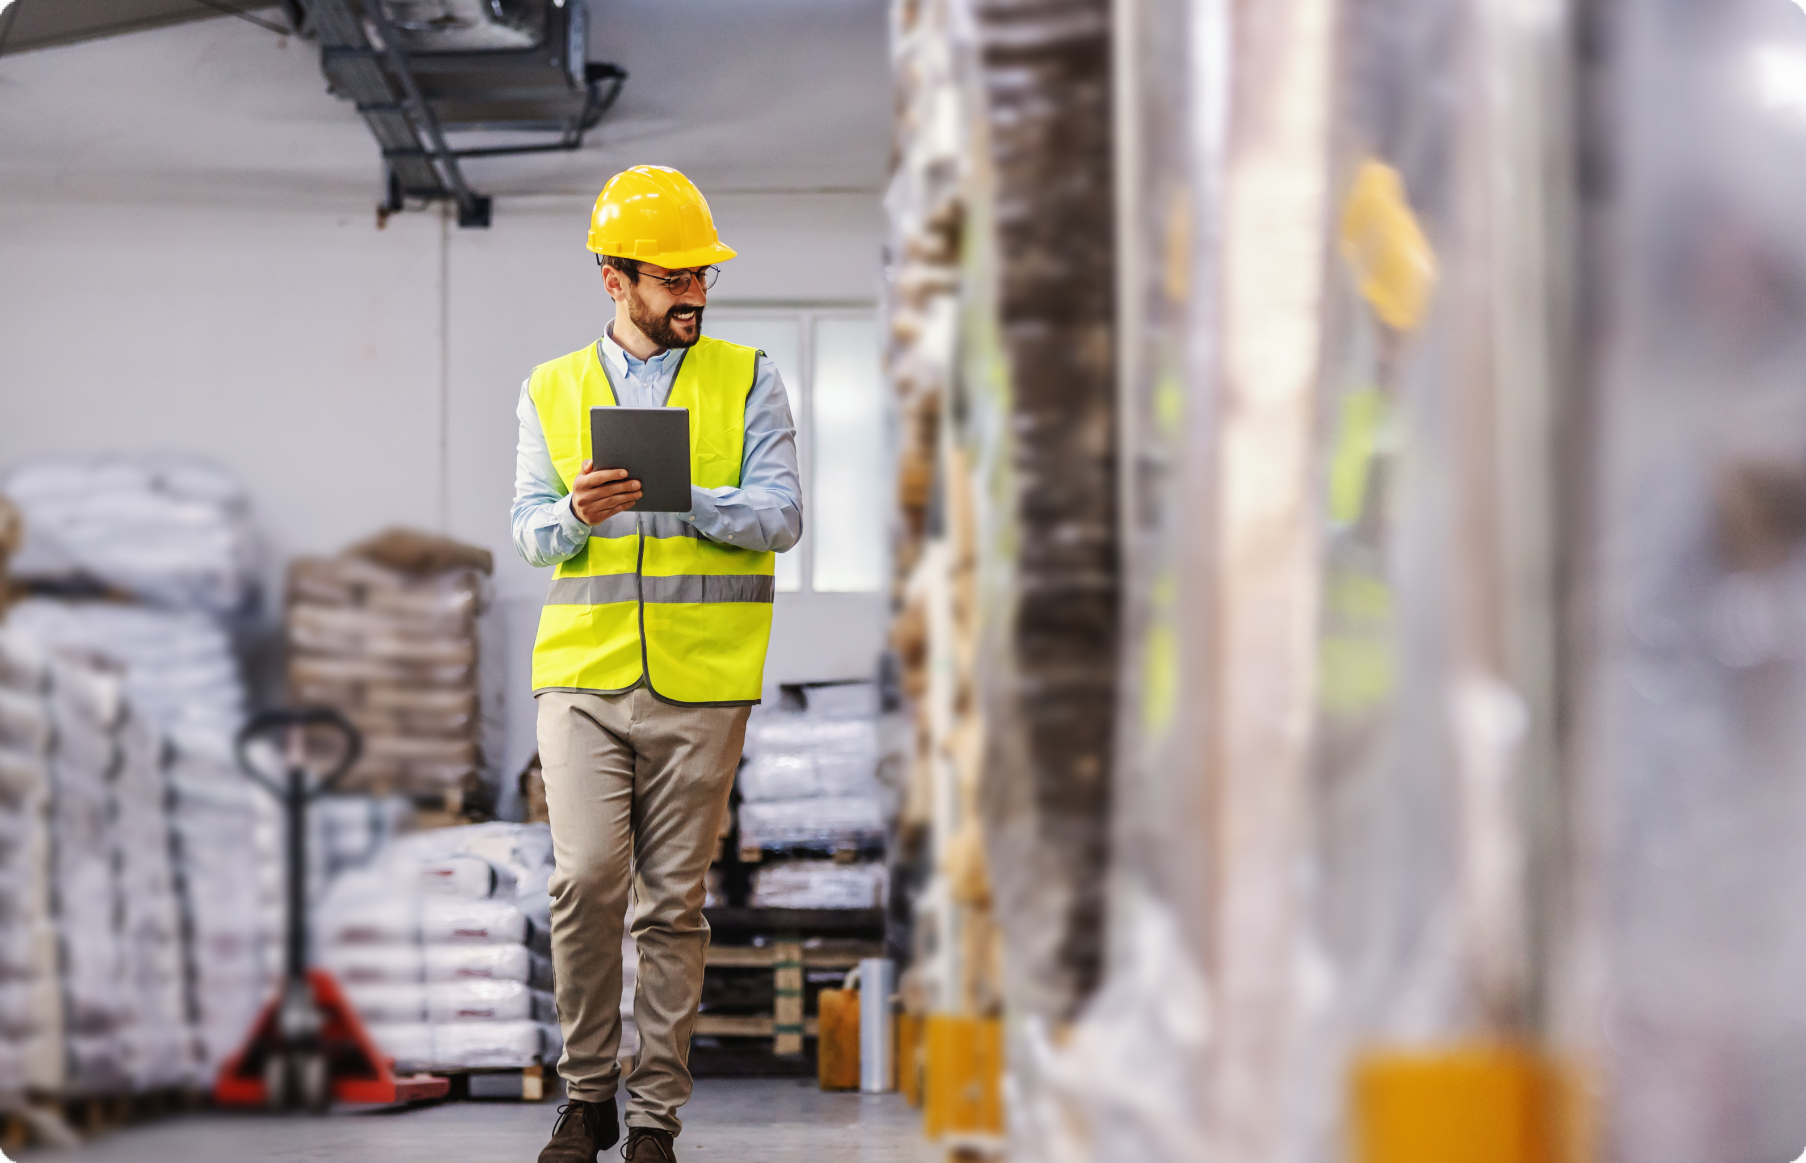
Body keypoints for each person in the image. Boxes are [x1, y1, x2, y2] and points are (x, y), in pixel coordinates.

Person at [510, 165, 802, 1163]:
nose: (694, 294)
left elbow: (784, 515)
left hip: (704, 680)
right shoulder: (550, 386)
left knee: (672, 903)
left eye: (702, 276)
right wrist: (573, 515)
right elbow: (527, 532)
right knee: (585, 877)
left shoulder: (749, 374)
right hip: (584, 676)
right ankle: (585, 1093)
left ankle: (652, 1120)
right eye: (672, 277)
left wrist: (689, 498)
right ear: (613, 278)